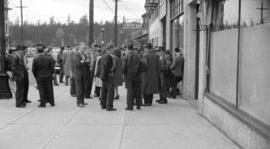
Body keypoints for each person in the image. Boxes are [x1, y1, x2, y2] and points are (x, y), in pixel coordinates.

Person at [123, 44, 145, 110]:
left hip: (129, 76)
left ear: (128, 48)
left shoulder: (126, 56)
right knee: (137, 90)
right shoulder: (138, 56)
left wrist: (124, 74)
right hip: (137, 75)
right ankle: (138, 105)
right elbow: (144, 65)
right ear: (133, 48)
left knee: (130, 91)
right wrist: (140, 72)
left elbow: (124, 67)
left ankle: (130, 106)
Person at [100, 44, 116, 111]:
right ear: (110, 49)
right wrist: (111, 70)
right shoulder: (108, 56)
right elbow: (107, 66)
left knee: (104, 90)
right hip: (108, 75)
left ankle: (103, 105)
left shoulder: (104, 55)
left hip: (104, 75)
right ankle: (109, 107)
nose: (113, 50)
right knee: (110, 91)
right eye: (112, 49)